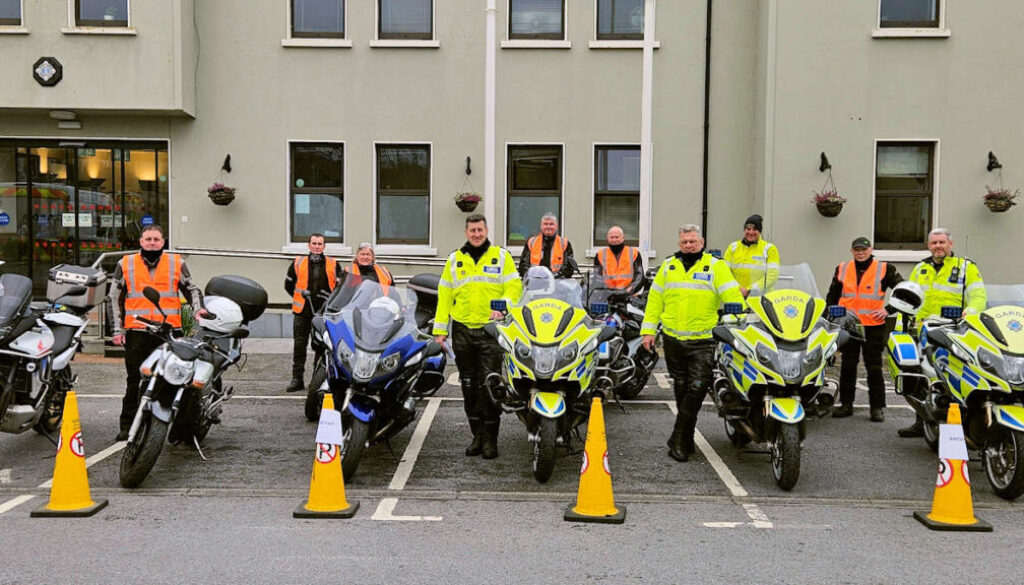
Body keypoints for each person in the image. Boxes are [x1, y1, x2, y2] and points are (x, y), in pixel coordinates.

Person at [641, 224, 743, 462]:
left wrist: (736, 322)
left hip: (703, 340)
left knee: (697, 388)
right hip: (673, 340)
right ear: (680, 244)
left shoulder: (716, 267)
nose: (689, 245)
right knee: (681, 388)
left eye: (693, 241)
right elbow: (654, 302)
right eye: (685, 242)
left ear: (702, 242)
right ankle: (685, 440)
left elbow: (733, 298)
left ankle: (677, 438)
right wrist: (648, 332)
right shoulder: (668, 267)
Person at [434, 214, 522, 459]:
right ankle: (477, 436)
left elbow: (515, 289)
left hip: (490, 330)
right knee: (469, 386)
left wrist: (503, 306)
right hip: (462, 330)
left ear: (486, 231)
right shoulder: (455, 259)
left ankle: (491, 440)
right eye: (472, 230)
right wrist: (440, 331)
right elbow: (444, 297)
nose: (476, 234)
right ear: (466, 232)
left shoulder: (501, 257)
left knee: (490, 386)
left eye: (480, 230)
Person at [109, 225, 205, 442]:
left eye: (156, 239)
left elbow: (191, 289)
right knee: (134, 380)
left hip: (170, 332)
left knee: (175, 379)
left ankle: (175, 429)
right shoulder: (125, 264)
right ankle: (128, 426)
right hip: (137, 331)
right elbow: (114, 298)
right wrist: (117, 330)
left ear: (163, 242)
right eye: (148, 239)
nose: (152, 242)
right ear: (141, 242)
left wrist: (198, 308)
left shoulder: (176, 263)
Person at [898, 227, 986, 438]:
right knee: (922, 373)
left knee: (955, 370)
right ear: (929, 246)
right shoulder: (921, 268)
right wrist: (902, 323)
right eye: (934, 243)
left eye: (942, 242)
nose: (938, 246)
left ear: (950, 244)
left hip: (955, 328)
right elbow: (911, 296)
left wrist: (971, 312)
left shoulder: (966, 267)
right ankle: (922, 420)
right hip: (925, 327)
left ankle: (963, 418)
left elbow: (978, 295)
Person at [825, 237, 903, 422]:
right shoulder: (842, 268)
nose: (860, 252)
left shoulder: (885, 269)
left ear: (871, 250)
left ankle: (877, 408)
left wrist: (888, 310)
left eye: (864, 249)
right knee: (848, 366)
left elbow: (903, 291)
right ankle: (846, 405)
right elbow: (832, 296)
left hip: (873, 326)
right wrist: (829, 318)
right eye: (857, 250)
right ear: (852, 251)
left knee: (874, 367)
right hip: (849, 325)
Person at [284, 233, 344, 393]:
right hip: (302, 311)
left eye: (320, 244)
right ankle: (297, 379)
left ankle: (315, 380)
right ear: (309, 245)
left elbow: (340, 288)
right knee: (299, 346)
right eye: (314, 243)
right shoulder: (298, 262)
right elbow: (288, 285)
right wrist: (299, 297)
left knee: (322, 346)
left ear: (324, 246)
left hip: (324, 312)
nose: (317, 246)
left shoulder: (333, 263)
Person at [723, 214, 780, 297]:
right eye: (748, 229)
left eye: (755, 229)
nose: (751, 232)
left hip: (761, 300)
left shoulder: (769, 249)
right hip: (737, 297)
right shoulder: (733, 247)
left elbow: (772, 275)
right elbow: (724, 272)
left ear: (760, 232)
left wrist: (750, 290)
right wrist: (737, 288)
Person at [518, 212, 575, 278]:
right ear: (541, 226)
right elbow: (523, 266)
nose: (548, 226)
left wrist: (557, 276)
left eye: (551, 224)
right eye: (545, 224)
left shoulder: (564, 243)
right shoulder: (531, 242)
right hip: (535, 283)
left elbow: (568, 269)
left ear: (556, 226)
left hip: (558, 283)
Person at [594, 226, 645, 293]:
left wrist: (629, 290)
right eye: (611, 237)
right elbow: (597, 276)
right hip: (607, 295)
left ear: (623, 238)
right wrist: (606, 291)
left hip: (628, 295)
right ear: (607, 238)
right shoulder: (600, 254)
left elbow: (639, 276)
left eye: (617, 237)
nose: (614, 240)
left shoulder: (634, 253)